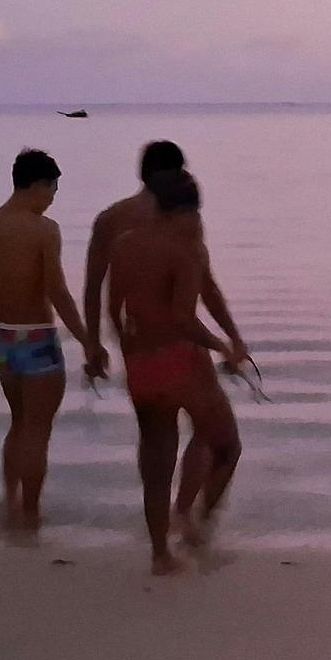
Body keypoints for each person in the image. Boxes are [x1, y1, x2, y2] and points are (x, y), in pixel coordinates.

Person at [83, 139, 251, 528]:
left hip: (139, 352)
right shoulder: (185, 219)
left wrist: (95, 344)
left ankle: (161, 540)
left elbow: (95, 289)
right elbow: (205, 286)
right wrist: (230, 337)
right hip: (184, 346)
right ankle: (190, 518)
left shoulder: (111, 221)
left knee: (156, 444)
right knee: (214, 436)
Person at [0, 149, 94, 531]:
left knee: (18, 424)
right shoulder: (44, 230)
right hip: (38, 339)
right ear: (38, 185)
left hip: (3, 339)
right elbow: (58, 292)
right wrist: (88, 341)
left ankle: (10, 505)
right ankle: (31, 514)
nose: (53, 198)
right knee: (37, 431)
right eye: (53, 189)